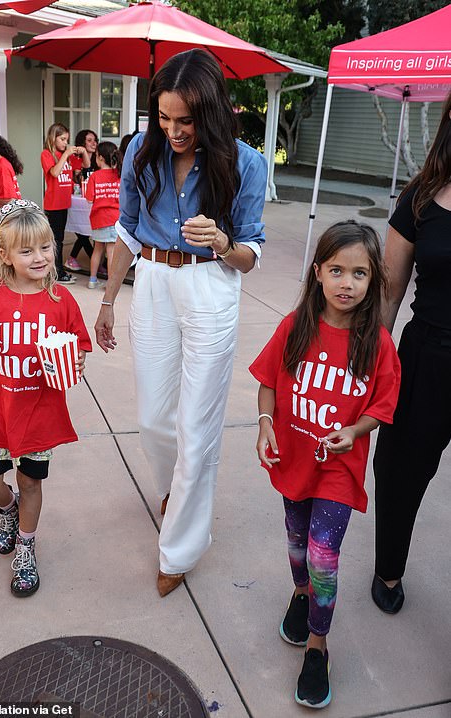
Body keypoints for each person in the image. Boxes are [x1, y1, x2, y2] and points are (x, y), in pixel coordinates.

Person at [94, 48, 266, 597]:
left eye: (185, 121)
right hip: (153, 281)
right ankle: (172, 489)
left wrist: (222, 242)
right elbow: (125, 230)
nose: (172, 131)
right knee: (152, 417)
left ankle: (181, 547)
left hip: (211, 287)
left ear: (211, 113)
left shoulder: (245, 163)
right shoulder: (141, 158)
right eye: (164, 118)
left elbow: (251, 253)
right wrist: (107, 301)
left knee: (198, 424)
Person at [250, 220, 401, 708]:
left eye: (359, 274)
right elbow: (267, 381)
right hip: (294, 458)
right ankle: (299, 594)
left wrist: (355, 431)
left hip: (339, 467)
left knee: (322, 555)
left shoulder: (377, 342)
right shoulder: (295, 327)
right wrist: (265, 422)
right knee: (297, 544)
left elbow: (381, 407)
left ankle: (318, 646)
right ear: (317, 273)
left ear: (372, 280)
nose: (346, 283)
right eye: (336, 270)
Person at [0, 199, 92, 596]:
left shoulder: (60, 300)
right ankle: (8, 509)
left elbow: (79, 345)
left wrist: (76, 361)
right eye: (27, 250)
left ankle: (26, 548)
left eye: (46, 247)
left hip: (39, 409)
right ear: (5, 255)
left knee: (31, 482)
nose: (40, 257)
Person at [371, 93, 451, 615]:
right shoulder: (421, 196)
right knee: (400, 472)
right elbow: (389, 295)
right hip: (427, 357)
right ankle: (389, 569)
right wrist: (367, 366)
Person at [40, 123, 89, 284]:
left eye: (66, 139)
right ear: (53, 138)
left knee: (58, 239)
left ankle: (57, 271)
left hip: (65, 203)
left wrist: (84, 152)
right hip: (53, 204)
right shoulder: (47, 154)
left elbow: (86, 165)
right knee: (56, 240)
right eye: (62, 139)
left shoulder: (66, 155)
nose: (65, 143)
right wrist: (66, 154)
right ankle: (57, 273)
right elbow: (54, 172)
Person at [85, 141, 121, 289]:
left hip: (98, 218)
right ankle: (110, 284)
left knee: (98, 249)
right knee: (111, 249)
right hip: (114, 217)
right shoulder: (118, 174)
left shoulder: (94, 176)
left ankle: (92, 280)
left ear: (100, 157)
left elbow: (88, 199)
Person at [65, 128, 98, 273]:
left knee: (88, 229)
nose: (94, 143)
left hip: (92, 199)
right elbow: (76, 179)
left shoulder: (98, 159)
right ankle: (94, 259)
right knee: (82, 229)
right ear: (82, 143)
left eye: (95, 140)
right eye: (89, 140)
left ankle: (78, 257)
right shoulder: (75, 159)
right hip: (77, 198)